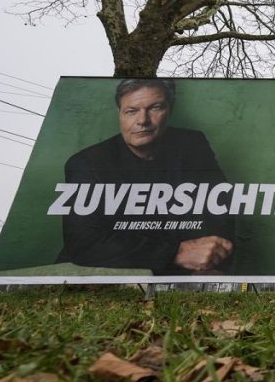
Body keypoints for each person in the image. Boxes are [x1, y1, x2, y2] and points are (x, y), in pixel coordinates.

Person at [55, 78, 235, 275]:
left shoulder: (192, 144)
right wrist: (177, 253)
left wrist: (210, 258)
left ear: (170, 109)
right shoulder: (86, 164)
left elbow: (220, 209)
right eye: (131, 111)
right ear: (120, 114)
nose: (143, 120)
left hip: (180, 272)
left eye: (155, 108)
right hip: (103, 274)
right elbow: (84, 243)